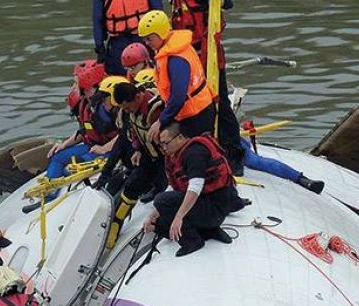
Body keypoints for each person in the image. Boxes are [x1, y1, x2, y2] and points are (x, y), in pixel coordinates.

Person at [144, 122, 246, 256]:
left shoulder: (195, 153)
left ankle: (192, 240)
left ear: (180, 138)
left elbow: (195, 187)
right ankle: (208, 231)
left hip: (216, 209)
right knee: (159, 222)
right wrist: (153, 214)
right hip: (206, 205)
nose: (163, 148)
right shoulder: (175, 156)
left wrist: (178, 217)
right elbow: (174, 185)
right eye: (161, 145)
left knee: (161, 200)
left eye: (165, 143)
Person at [167, 0, 244, 171]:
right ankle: (200, 148)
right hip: (187, 57)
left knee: (221, 104)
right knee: (194, 106)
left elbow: (227, 4)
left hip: (209, 56)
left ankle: (234, 155)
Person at [100, 78, 167, 248]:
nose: (127, 111)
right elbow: (133, 131)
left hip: (168, 157)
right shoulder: (129, 112)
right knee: (131, 187)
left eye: (128, 107)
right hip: (148, 155)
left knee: (166, 189)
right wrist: (137, 148)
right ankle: (112, 233)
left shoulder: (156, 110)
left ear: (138, 97)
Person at [137, 11, 218, 144]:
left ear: (161, 34)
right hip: (187, 111)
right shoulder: (167, 50)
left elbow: (178, 96)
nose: (146, 43)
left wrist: (161, 121)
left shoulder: (176, 59)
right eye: (144, 39)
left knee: (195, 153)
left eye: (149, 39)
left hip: (198, 113)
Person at [45, 60, 119, 195]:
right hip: (94, 146)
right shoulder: (85, 103)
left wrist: (104, 148)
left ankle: (69, 193)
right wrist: (64, 144)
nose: (74, 87)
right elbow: (85, 130)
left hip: (111, 149)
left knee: (75, 165)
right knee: (58, 156)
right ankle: (49, 194)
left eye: (77, 84)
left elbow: (125, 132)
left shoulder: (111, 104)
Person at [92, 0, 163, 75]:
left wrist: (100, 48)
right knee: (149, 73)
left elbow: (97, 21)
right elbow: (158, 11)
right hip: (143, 39)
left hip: (120, 43)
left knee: (120, 77)